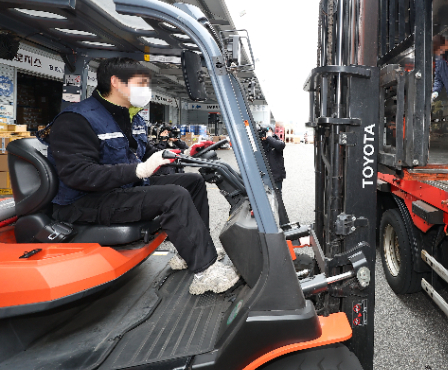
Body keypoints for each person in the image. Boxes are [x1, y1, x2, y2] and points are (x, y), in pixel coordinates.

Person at [40, 57, 237, 295]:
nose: (146, 89)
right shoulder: (77, 119)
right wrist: (139, 170)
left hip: (120, 189)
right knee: (173, 196)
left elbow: (149, 153)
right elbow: (78, 174)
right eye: (140, 82)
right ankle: (205, 273)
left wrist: (183, 153)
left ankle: (191, 250)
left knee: (192, 182)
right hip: (84, 202)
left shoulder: (130, 116)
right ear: (116, 82)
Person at [260, 125, 289, 225]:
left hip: (276, 177)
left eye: (269, 131)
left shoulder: (276, 141)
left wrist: (268, 138)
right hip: (264, 178)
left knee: (278, 200)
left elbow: (280, 146)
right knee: (265, 201)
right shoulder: (260, 143)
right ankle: (268, 224)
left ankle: (283, 224)